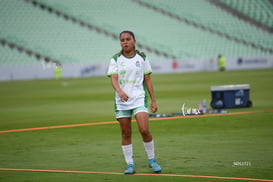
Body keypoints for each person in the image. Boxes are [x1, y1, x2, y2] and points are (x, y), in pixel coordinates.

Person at [107, 31, 162, 174]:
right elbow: (113, 79)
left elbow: (148, 80)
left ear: (134, 41)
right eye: (122, 40)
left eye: (127, 39)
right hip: (121, 101)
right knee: (126, 133)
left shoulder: (141, 58)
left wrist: (153, 100)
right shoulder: (116, 59)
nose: (125, 42)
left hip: (139, 98)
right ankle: (130, 165)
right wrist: (120, 91)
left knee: (144, 129)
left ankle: (152, 160)